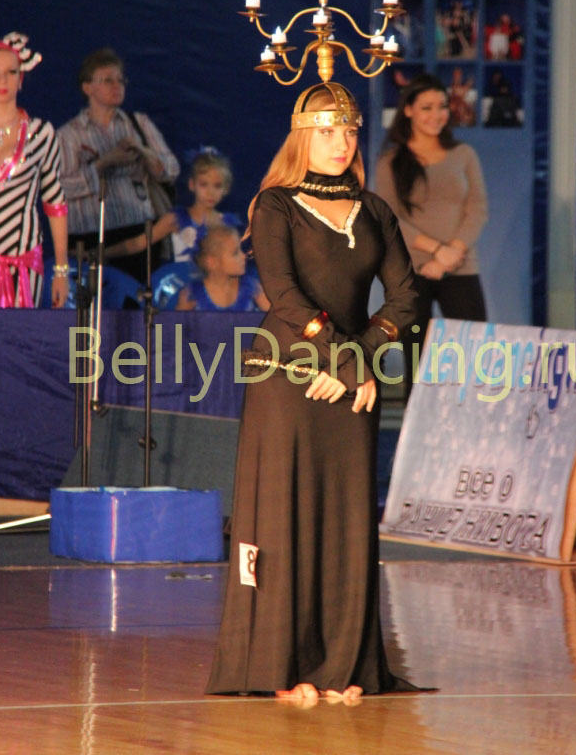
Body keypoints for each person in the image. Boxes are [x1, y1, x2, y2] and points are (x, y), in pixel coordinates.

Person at [206, 81, 419, 704]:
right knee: (284, 515)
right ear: (302, 137)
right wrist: (347, 361)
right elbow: (286, 296)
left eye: (348, 131)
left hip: (351, 374)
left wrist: (358, 358)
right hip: (287, 372)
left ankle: (345, 666)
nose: (340, 142)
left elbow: (405, 298)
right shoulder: (275, 205)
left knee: (347, 516)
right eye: (326, 131)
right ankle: (279, 666)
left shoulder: (374, 210)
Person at [375, 73, 487, 394]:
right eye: (427, 107)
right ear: (408, 110)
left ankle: (469, 417)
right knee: (416, 359)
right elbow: (389, 217)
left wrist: (452, 253)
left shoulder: (464, 154)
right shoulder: (391, 161)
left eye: (442, 106)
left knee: (473, 351)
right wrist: (436, 252)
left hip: (460, 264)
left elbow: (478, 208)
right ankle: (416, 422)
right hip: (411, 269)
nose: (436, 115)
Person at [57, 47, 179, 280]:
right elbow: (61, 188)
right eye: (107, 80)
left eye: (121, 80)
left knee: (138, 296)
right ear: (87, 88)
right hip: (89, 235)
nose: (117, 86)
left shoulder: (138, 123)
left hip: (139, 231)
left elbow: (171, 170)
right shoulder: (68, 135)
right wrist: (105, 162)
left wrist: (143, 152)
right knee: (91, 298)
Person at [0, 33, 69, 308]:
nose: (2, 80)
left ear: (21, 77)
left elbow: (55, 202)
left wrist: (61, 270)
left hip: (22, 265)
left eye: (10, 72)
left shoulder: (41, 133)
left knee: (19, 334)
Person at [105, 148, 233, 265]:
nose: (210, 192)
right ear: (192, 184)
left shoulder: (225, 224)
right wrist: (102, 253)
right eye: (204, 184)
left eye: (217, 186)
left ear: (226, 189)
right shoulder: (174, 219)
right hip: (182, 280)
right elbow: (139, 243)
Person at [175, 224, 269, 312]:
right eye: (235, 253)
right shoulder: (191, 294)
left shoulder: (253, 288)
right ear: (212, 262)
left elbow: (275, 317)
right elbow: (175, 323)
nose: (243, 256)